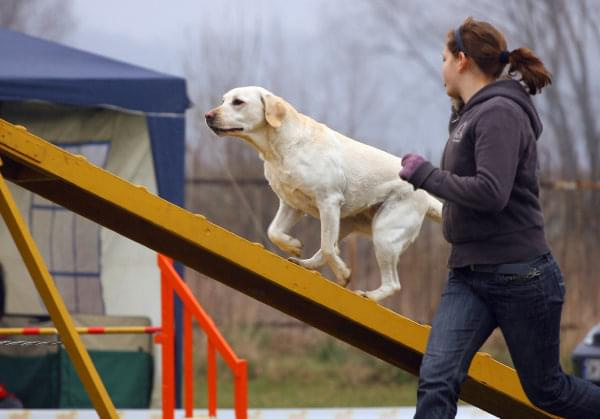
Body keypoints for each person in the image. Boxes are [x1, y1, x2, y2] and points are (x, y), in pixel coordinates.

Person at [399, 17, 600, 419]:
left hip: (521, 277)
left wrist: (425, 176)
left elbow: (491, 193)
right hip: (469, 275)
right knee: (437, 378)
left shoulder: (499, 114)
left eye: (442, 59)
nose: (440, 69)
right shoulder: (468, 115)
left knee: (548, 391)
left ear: (461, 60)